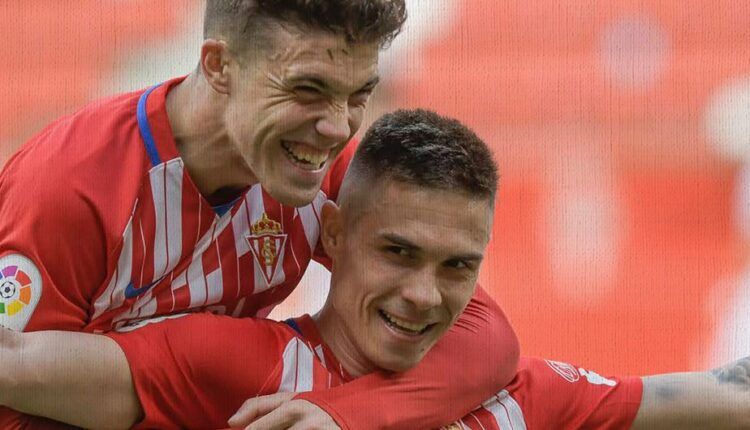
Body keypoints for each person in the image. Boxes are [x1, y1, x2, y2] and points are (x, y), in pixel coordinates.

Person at [1, 110, 748, 430]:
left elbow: (719, 396)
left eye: (458, 266)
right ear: (331, 234)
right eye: (398, 253)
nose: (424, 296)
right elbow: (21, 362)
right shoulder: (233, 365)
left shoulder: (521, 393)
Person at [0, 1, 520, 429]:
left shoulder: (321, 170)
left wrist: (349, 416)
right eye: (308, 90)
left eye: (357, 95)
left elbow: (485, 334)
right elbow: (13, 393)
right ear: (219, 66)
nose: (338, 128)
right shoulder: (71, 188)